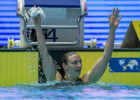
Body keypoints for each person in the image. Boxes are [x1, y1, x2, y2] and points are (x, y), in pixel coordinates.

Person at [33, 8, 122, 82]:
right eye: (75, 63)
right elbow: (44, 53)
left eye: (80, 62)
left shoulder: (86, 80)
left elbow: (106, 57)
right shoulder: (55, 79)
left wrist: (112, 30)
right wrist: (37, 25)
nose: (79, 65)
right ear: (64, 66)